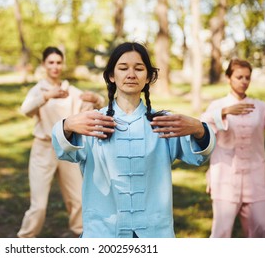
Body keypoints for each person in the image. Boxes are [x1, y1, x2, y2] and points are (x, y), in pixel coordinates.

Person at [51, 42, 216, 238]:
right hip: (104, 233)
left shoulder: (163, 123)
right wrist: (67, 126)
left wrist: (199, 129)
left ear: (148, 77)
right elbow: (64, 151)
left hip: (154, 233)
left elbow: (198, 156)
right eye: (123, 68)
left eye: (139, 68)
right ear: (112, 76)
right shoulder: (94, 122)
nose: (131, 74)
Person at [17, 46, 104, 238]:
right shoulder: (38, 90)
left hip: (67, 148)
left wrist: (97, 98)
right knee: (38, 205)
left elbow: (96, 108)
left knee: (78, 201)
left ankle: (82, 237)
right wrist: (47, 96)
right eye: (51, 62)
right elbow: (25, 110)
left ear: (62, 64)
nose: (55, 66)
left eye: (58, 62)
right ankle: (24, 240)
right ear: (44, 65)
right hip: (43, 148)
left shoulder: (71, 91)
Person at [201, 58, 265, 238]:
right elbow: (200, 126)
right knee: (221, 234)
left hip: (256, 179)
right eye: (239, 77)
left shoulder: (259, 107)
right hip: (225, 179)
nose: (244, 82)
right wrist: (224, 113)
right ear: (229, 78)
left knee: (261, 232)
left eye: (247, 78)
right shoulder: (217, 106)